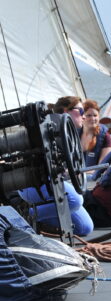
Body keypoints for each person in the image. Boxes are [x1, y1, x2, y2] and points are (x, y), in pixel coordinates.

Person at [18, 95, 94, 235]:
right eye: (81, 112)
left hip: (53, 183)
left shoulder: (67, 132)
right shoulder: (51, 126)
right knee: (75, 200)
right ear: (66, 111)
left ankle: (40, 220)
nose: (84, 117)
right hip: (34, 184)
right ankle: (24, 217)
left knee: (85, 227)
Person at [81, 99, 111, 167]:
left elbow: (102, 168)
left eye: (95, 115)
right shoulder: (75, 133)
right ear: (82, 117)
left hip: (92, 176)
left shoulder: (106, 137)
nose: (93, 118)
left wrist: (81, 174)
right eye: (89, 115)